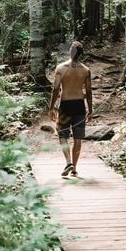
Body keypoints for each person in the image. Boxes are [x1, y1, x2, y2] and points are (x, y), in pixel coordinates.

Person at [48, 41, 93, 177]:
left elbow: (55, 90)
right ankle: (74, 169)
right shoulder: (85, 70)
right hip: (79, 105)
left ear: (70, 52)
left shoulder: (61, 68)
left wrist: (51, 108)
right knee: (78, 138)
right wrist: (90, 110)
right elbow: (89, 92)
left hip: (65, 105)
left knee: (62, 134)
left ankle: (68, 162)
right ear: (81, 53)